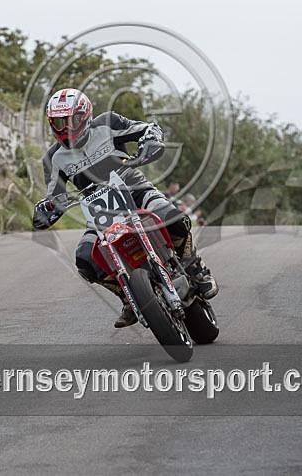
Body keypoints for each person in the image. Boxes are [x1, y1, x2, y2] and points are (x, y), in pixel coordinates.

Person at [32, 88, 218, 328]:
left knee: (175, 219)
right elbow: (54, 196)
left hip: (136, 191)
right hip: (100, 213)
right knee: (85, 260)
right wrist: (47, 209)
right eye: (59, 122)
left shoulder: (108, 123)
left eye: (71, 120)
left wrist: (151, 140)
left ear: (85, 114)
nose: (66, 127)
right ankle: (128, 297)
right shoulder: (53, 158)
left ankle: (196, 268)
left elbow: (146, 128)